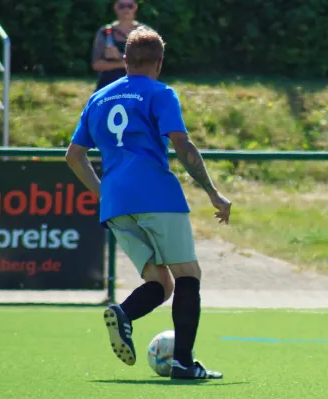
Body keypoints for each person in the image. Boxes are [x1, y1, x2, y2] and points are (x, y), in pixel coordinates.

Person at [65, 27, 231, 380]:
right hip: (156, 195)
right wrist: (214, 193)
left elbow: (74, 156)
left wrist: (103, 193)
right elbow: (183, 147)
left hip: (116, 204)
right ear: (159, 62)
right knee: (188, 275)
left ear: (124, 61)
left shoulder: (98, 99)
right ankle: (184, 364)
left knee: (161, 283)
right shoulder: (160, 93)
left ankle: (124, 314)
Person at [91, 0, 149, 92]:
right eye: (121, 6)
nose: (126, 9)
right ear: (115, 8)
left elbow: (149, 64)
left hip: (136, 88)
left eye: (130, 6)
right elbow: (96, 65)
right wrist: (124, 63)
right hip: (108, 87)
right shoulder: (105, 33)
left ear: (135, 7)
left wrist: (119, 57)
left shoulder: (145, 32)